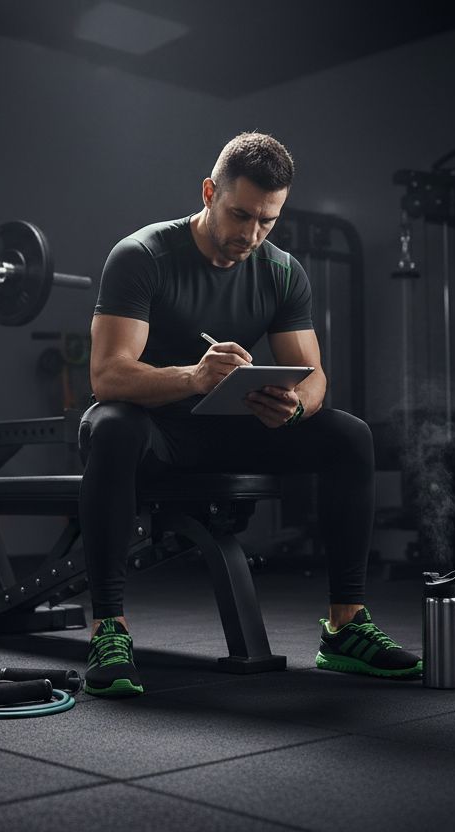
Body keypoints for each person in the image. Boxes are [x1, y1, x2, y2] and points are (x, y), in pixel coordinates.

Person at [80, 132, 421, 697]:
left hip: (227, 426)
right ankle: (108, 627)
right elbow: (107, 376)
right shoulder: (142, 256)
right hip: (156, 431)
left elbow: (314, 379)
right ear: (210, 192)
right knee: (112, 423)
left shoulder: (282, 273)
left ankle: (344, 627)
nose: (251, 234)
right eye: (241, 215)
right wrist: (192, 377)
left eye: (268, 221)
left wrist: (292, 409)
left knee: (348, 435)